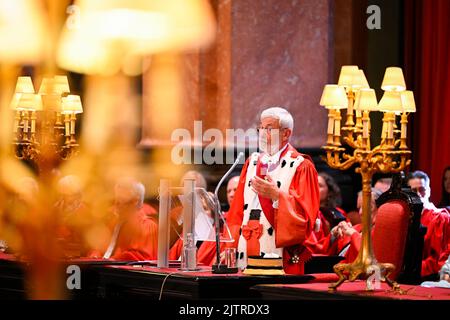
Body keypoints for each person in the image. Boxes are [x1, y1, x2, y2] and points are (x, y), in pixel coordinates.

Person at [225, 107, 320, 274]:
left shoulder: (301, 166)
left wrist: (277, 196)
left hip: (280, 254)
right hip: (246, 246)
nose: (262, 133)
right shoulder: (251, 162)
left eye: (269, 129)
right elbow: (237, 212)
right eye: (260, 128)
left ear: (286, 134)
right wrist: (229, 248)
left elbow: (306, 218)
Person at [89, 178, 158, 261]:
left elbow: (140, 257)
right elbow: (100, 246)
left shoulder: (146, 226)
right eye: (116, 199)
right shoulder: (114, 222)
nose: (115, 205)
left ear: (135, 201)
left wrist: (112, 260)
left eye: (120, 200)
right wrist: (95, 254)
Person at [407, 170, 450, 277]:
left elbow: (438, 260)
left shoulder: (440, 218)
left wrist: (410, 271)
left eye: (422, 190)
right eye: (413, 191)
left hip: (427, 277)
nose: (417, 194)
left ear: (429, 191)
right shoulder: (404, 219)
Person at [305, 172, 346, 253]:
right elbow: (311, 245)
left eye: (319, 185)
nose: (315, 188)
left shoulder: (339, 212)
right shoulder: (306, 213)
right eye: (312, 184)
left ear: (329, 191)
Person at [55, 175, 91, 258]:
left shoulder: (83, 210)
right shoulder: (56, 208)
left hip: (77, 251)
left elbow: (86, 235)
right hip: (57, 250)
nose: (67, 197)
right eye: (64, 193)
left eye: (71, 194)